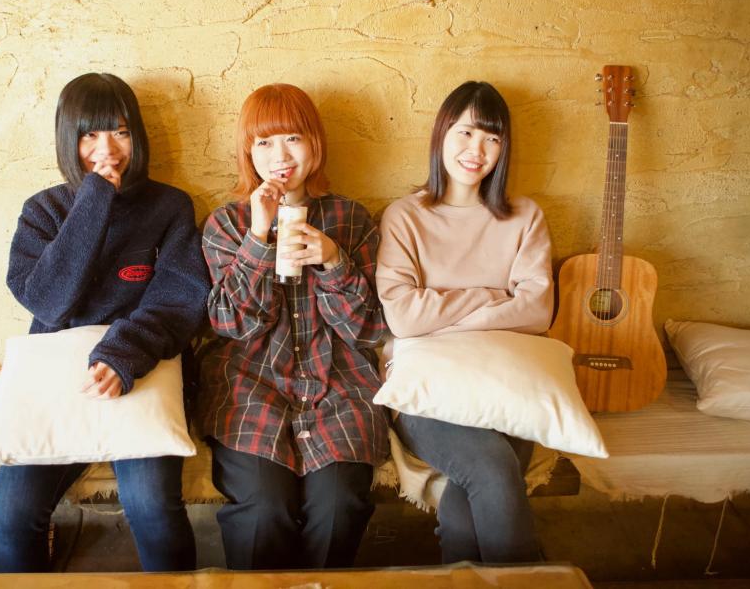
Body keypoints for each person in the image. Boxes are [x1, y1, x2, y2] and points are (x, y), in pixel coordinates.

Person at [0, 72, 211, 572]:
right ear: (68, 138)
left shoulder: (170, 205)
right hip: (58, 373)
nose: (107, 149)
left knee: (152, 506)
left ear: (138, 137)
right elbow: (47, 303)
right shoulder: (43, 209)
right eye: (90, 135)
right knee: (9, 515)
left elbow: (180, 300)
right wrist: (93, 201)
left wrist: (122, 354)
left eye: (121, 132)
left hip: (142, 364)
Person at [199, 83, 387, 570]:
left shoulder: (350, 218)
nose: (280, 156)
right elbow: (232, 324)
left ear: (315, 144)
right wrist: (258, 236)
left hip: (339, 387)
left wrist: (334, 260)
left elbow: (369, 330)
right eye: (264, 142)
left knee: (339, 505)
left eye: (292, 139)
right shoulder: (226, 224)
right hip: (250, 385)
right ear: (248, 151)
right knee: (263, 509)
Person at [375, 81, 553, 563]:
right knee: (493, 469)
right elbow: (404, 317)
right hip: (428, 393)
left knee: (465, 505)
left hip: (511, 383)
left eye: (492, 138)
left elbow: (537, 311)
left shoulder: (525, 217)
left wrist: (440, 316)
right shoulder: (404, 217)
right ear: (442, 134)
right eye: (466, 133)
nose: (477, 151)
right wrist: (491, 297)